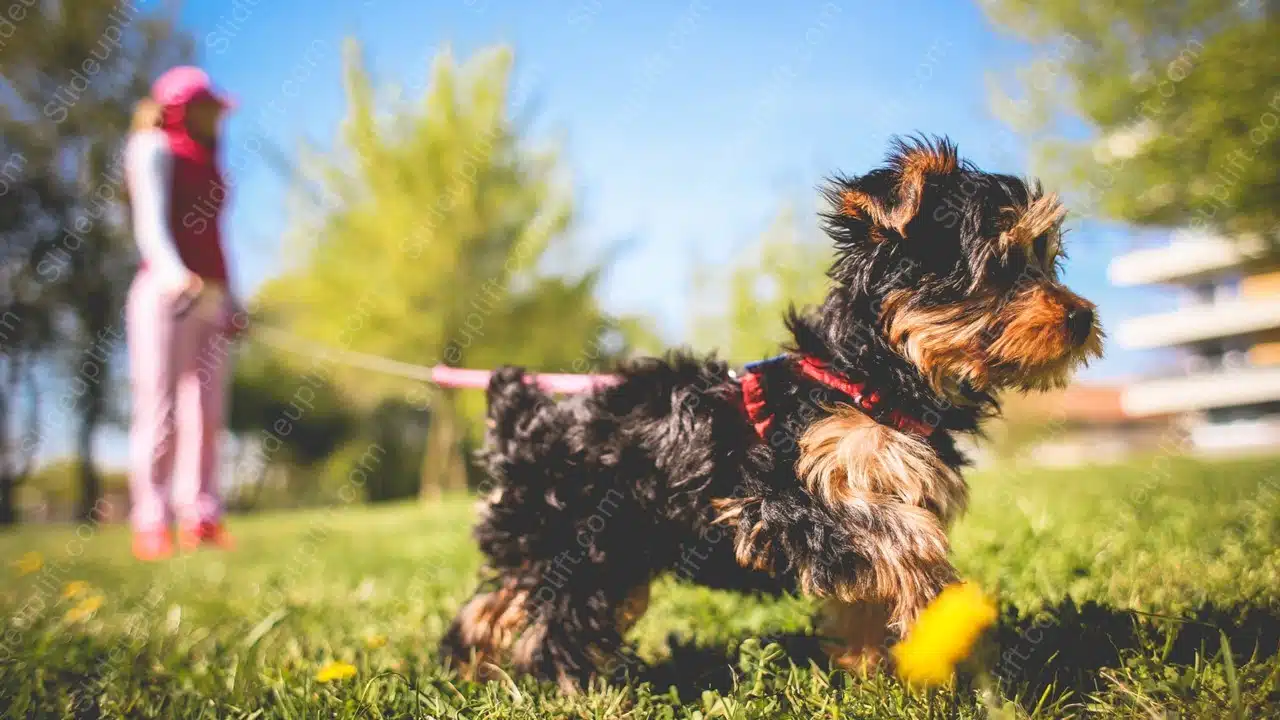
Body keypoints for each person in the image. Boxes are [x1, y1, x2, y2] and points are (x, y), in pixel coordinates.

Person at [124, 66, 245, 560]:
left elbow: (217, 238)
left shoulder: (211, 159)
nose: (218, 116)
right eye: (209, 106)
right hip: (165, 291)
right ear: (183, 107)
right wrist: (175, 274)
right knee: (161, 410)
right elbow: (149, 221)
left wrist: (232, 300)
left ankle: (201, 516)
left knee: (208, 414)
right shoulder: (152, 148)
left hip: (211, 296)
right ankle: (151, 520)